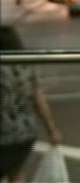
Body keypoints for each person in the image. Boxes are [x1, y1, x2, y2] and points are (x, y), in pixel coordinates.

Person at [0, 25, 62, 183]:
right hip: (25, 134)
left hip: (3, 134)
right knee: (16, 172)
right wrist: (52, 130)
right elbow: (39, 100)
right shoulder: (26, 65)